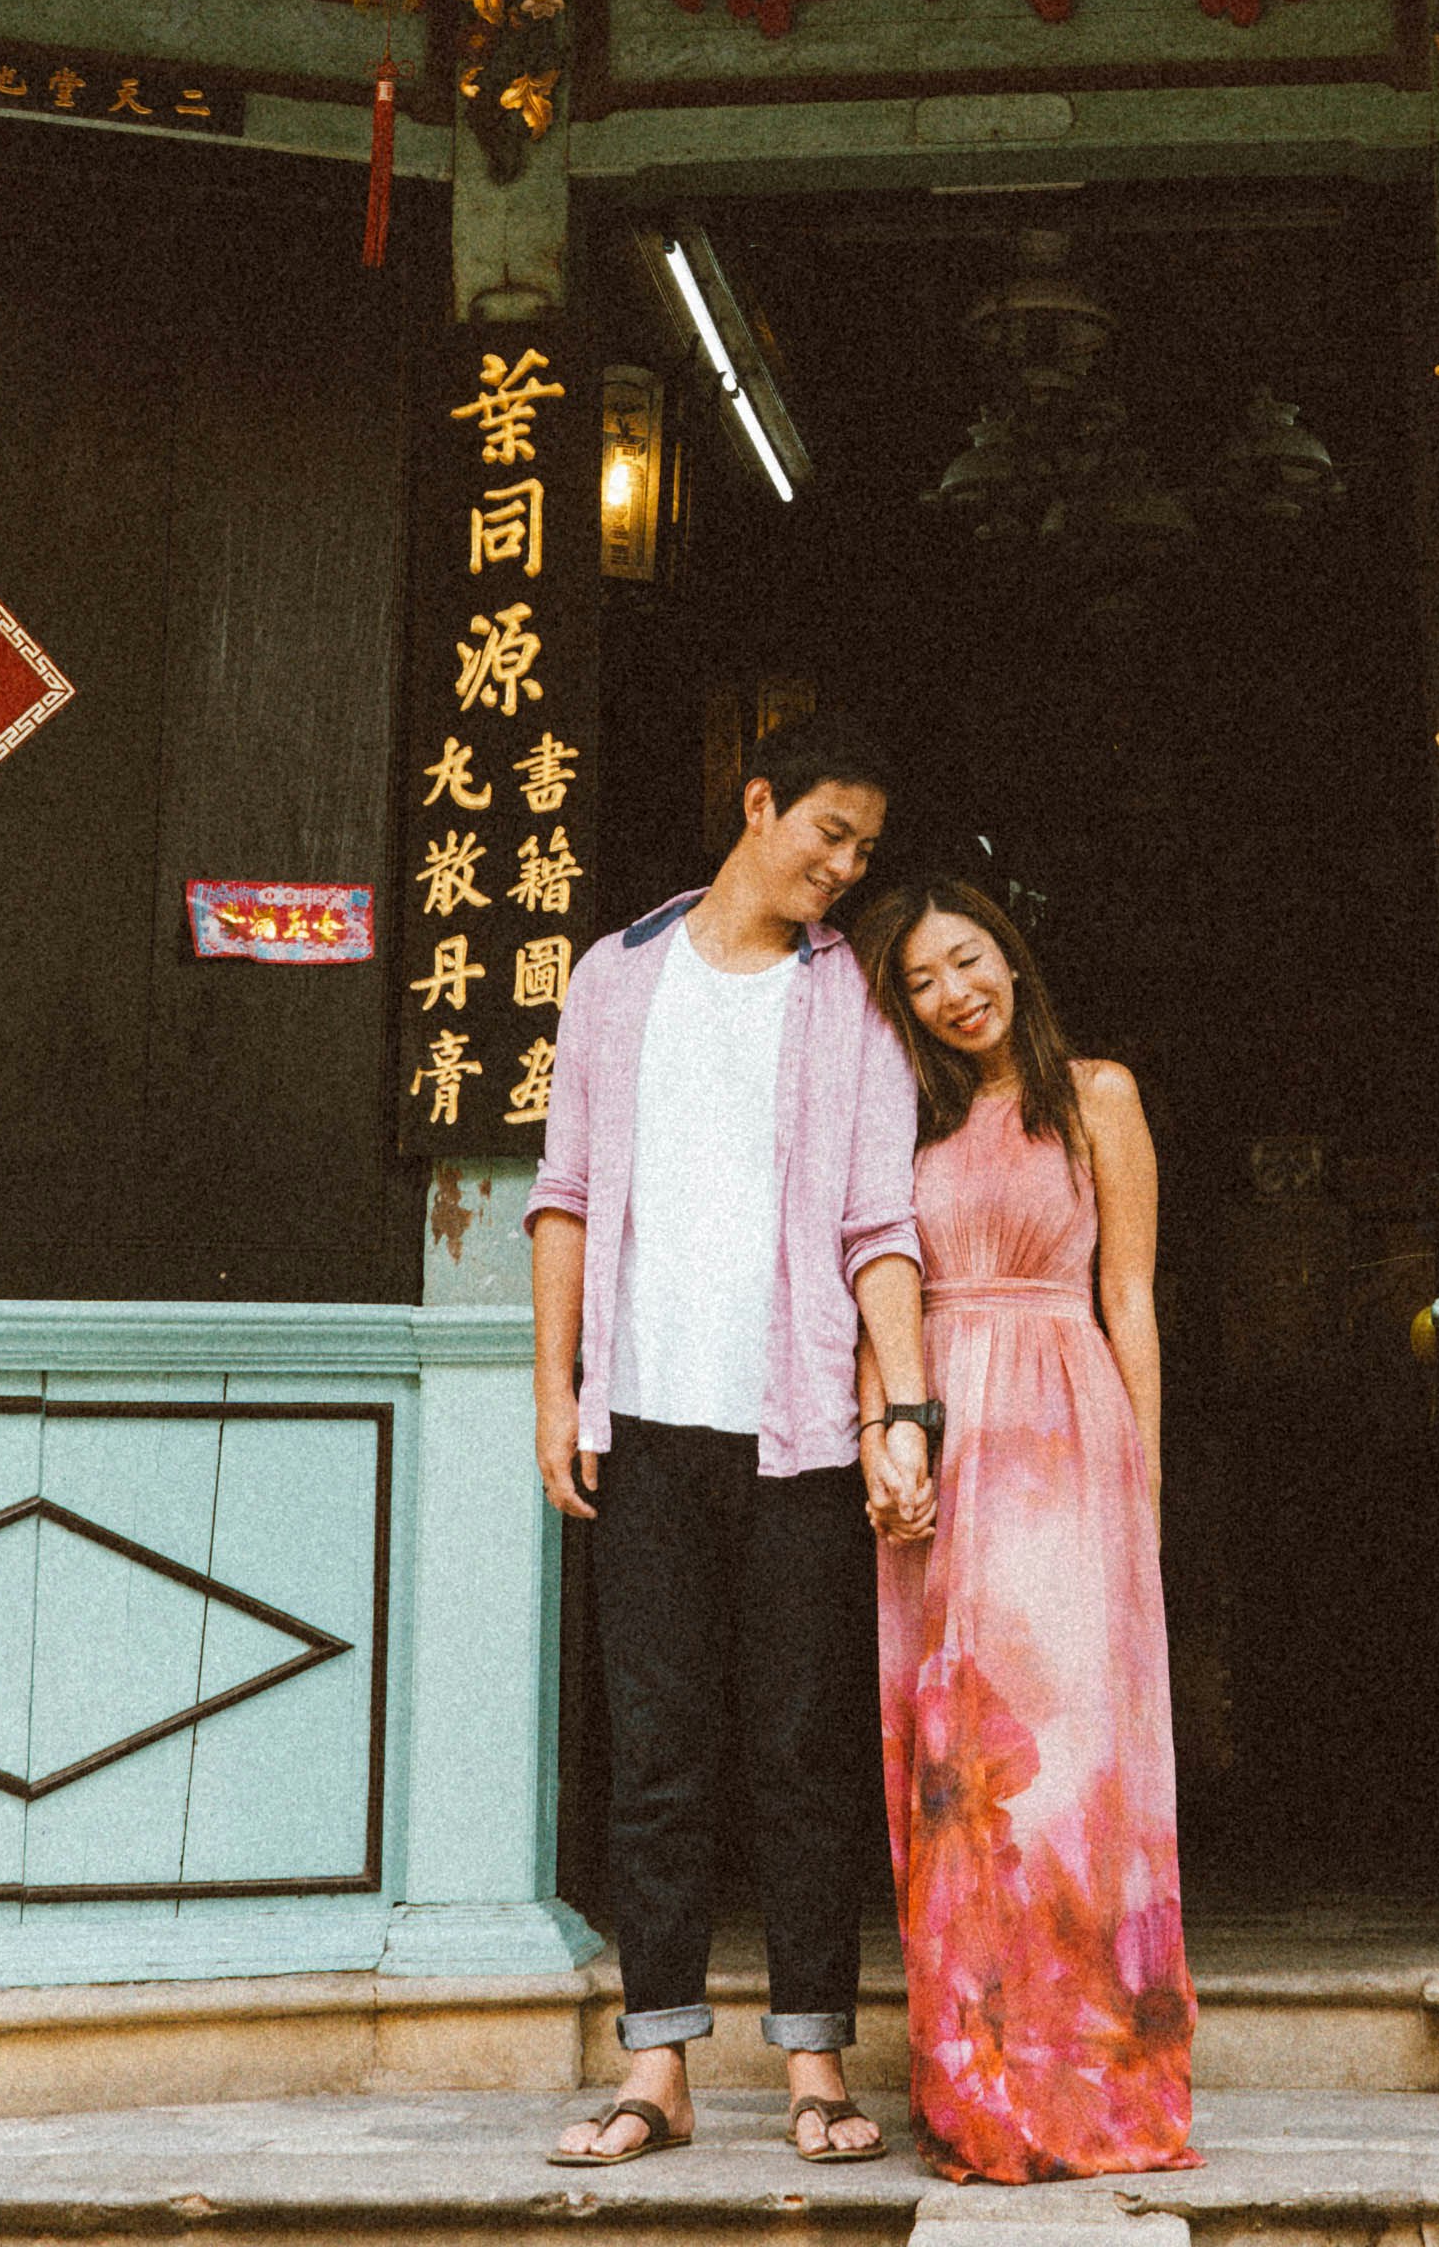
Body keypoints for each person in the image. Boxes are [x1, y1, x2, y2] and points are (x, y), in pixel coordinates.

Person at [529, 716, 942, 2169]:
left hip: (805, 1439)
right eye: (828, 833)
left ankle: (816, 2065)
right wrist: (553, 1394)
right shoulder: (616, 977)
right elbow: (564, 1194)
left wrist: (905, 1406)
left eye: (866, 851)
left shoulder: (854, 1005)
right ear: (758, 806)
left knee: (799, 1752)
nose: (845, 868)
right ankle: (659, 2072)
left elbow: (882, 1225)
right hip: (643, 1421)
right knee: (656, 1752)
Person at [856, 874, 1194, 2181]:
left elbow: (1132, 1298)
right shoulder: (900, 1123)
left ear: (1013, 953)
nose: (954, 992)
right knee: (957, 1776)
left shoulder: (1096, 1094)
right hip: (941, 1437)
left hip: (1064, 1434)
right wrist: (886, 1431)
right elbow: (872, 1285)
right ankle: (977, 2082)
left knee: (1062, 1770)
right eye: (924, 979)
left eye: (970, 958)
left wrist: (1145, 1487)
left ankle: (1090, 2072)